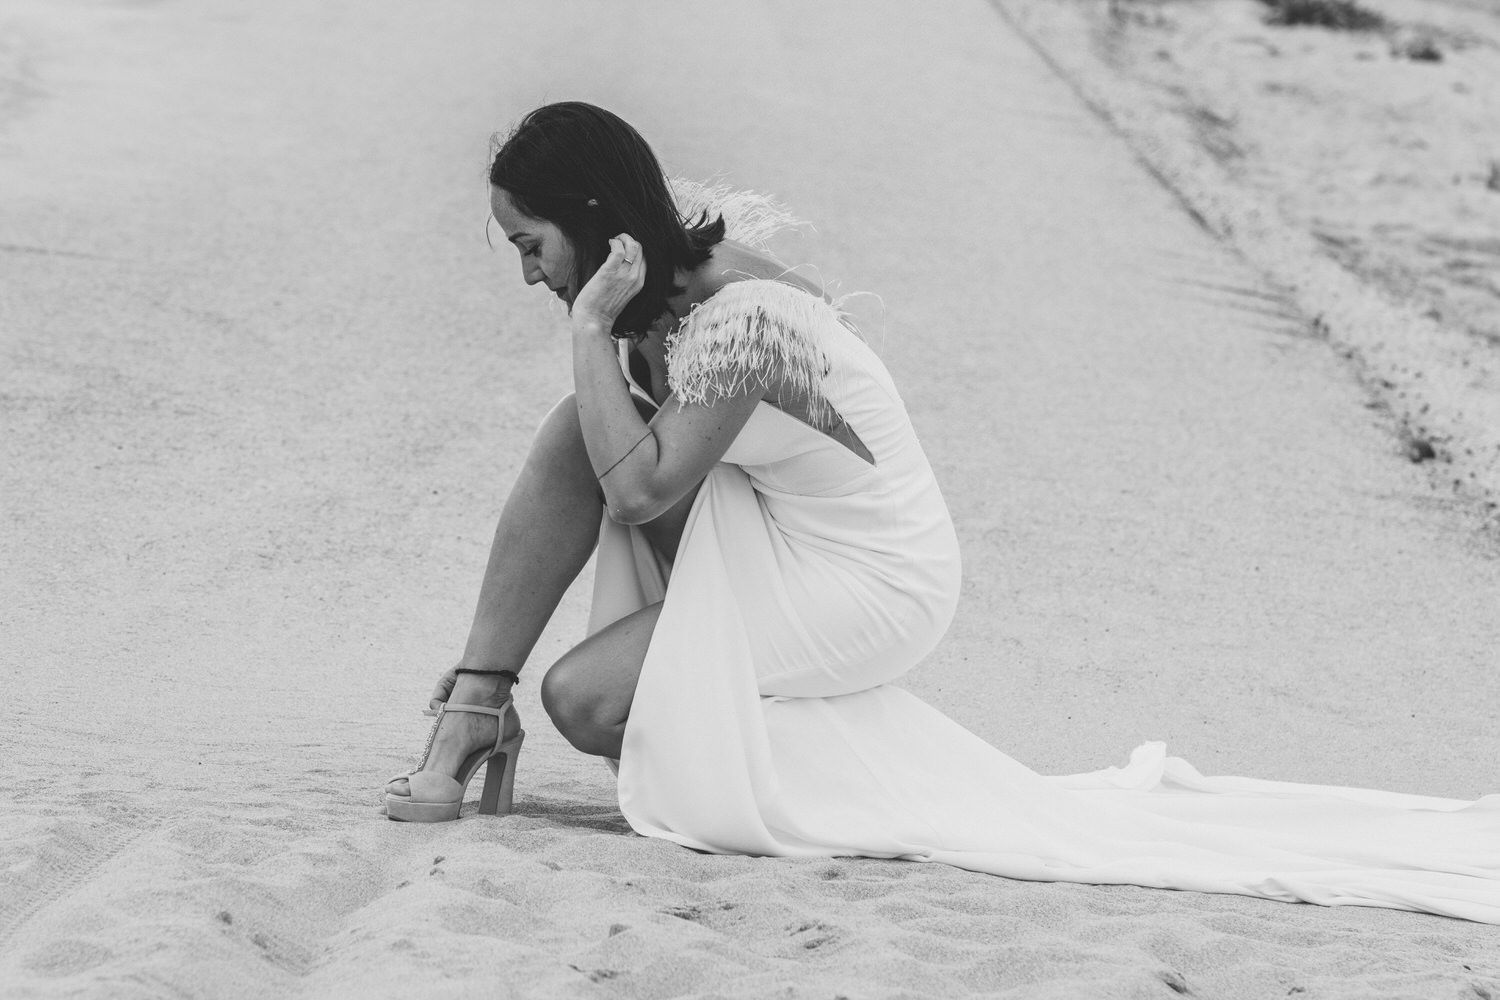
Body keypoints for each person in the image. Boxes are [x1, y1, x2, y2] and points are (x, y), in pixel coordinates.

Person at [384, 101, 1500, 924]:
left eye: (531, 245)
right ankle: (477, 701)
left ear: (588, 218)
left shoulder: (739, 317)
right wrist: (607, 344)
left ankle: (746, 744)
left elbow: (642, 491)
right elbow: (635, 460)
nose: (528, 273)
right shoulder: (659, 283)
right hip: (775, 530)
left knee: (588, 698)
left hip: (874, 579)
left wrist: (589, 335)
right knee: (566, 432)